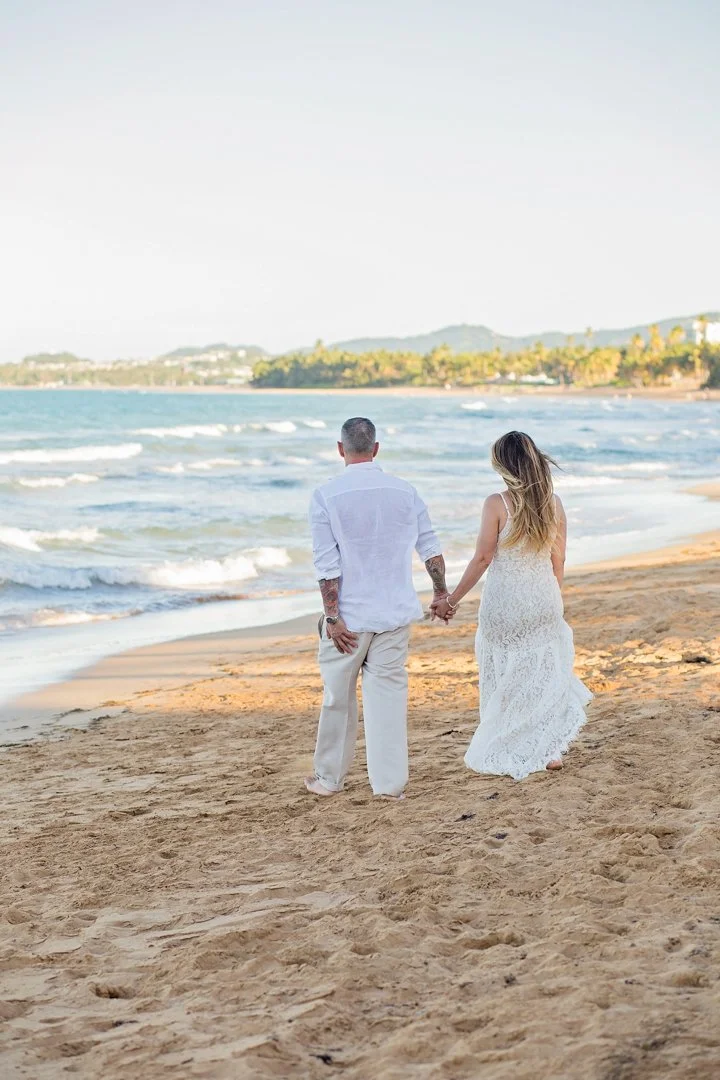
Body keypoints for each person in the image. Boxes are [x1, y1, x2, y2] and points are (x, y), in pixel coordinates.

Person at [432, 430, 592, 780]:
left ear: (502, 465)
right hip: (543, 597)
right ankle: (549, 751)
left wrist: (450, 600)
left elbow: (482, 559)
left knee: (505, 673)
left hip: (505, 604)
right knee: (543, 675)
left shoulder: (497, 503)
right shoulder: (554, 504)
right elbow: (559, 560)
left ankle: (512, 743)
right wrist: (553, 600)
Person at [306, 417, 448, 800]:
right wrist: (440, 594)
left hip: (349, 620)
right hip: (394, 614)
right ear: (376, 448)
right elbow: (431, 550)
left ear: (341, 449)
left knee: (338, 699)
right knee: (387, 698)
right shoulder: (405, 491)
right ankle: (389, 786)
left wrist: (332, 618)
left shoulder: (326, 495)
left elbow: (326, 565)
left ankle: (329, 780)